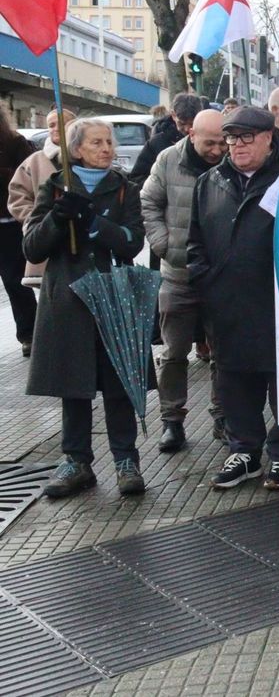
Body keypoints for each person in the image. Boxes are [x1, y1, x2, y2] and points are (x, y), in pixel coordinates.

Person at [189, 107, 279, 490]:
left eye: (246, 137)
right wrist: (205, 280)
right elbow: (194, 241)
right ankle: (243, 451)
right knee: (234, 383)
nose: (238, 145)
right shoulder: (210, 182)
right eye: (231, 138)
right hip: (227, 305)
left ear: (268, 138)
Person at [27, 119, 148, 499]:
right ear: (76, 150)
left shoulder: (126, 189)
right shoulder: (55, 187)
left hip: (114, 296)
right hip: (69, 301)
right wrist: (58, 218)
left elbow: (132, 242)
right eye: (97, 143)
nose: (107, 149)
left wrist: (95, 224)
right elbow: (33, 248)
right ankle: (76, 461)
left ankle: (126, 460)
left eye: (109, 142)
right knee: (74, 385)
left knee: (118, 383)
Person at [141, 108, 226, 453]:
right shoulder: (167, 160)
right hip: (176, 276)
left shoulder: (230, 163)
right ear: (191, 134)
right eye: (210, 142)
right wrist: (164, 245)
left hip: (218, 278)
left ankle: (223, 416)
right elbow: (149, 201)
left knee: (223, 353)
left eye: (223, 142)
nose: (218, 150)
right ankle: (172, 421)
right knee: (174, 353)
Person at [9, 108, 75, 293]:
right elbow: (17, 196)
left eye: (61, 124)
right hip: (47, 239)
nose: (55, 129)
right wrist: (35, 219)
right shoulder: (35, 161)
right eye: (51, 125)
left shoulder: (85, 159)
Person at [0, 107, 37, 356]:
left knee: (15, 281)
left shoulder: (15, 142)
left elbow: (26, 178)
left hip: (8, 222)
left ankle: (29, 334)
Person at [129, 92, 205, 187]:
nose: (187, 129)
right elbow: (137, 178)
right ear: (173, 115)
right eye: (182, 123)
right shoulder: (156, 143)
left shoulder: (211, 141)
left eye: (192, 124)